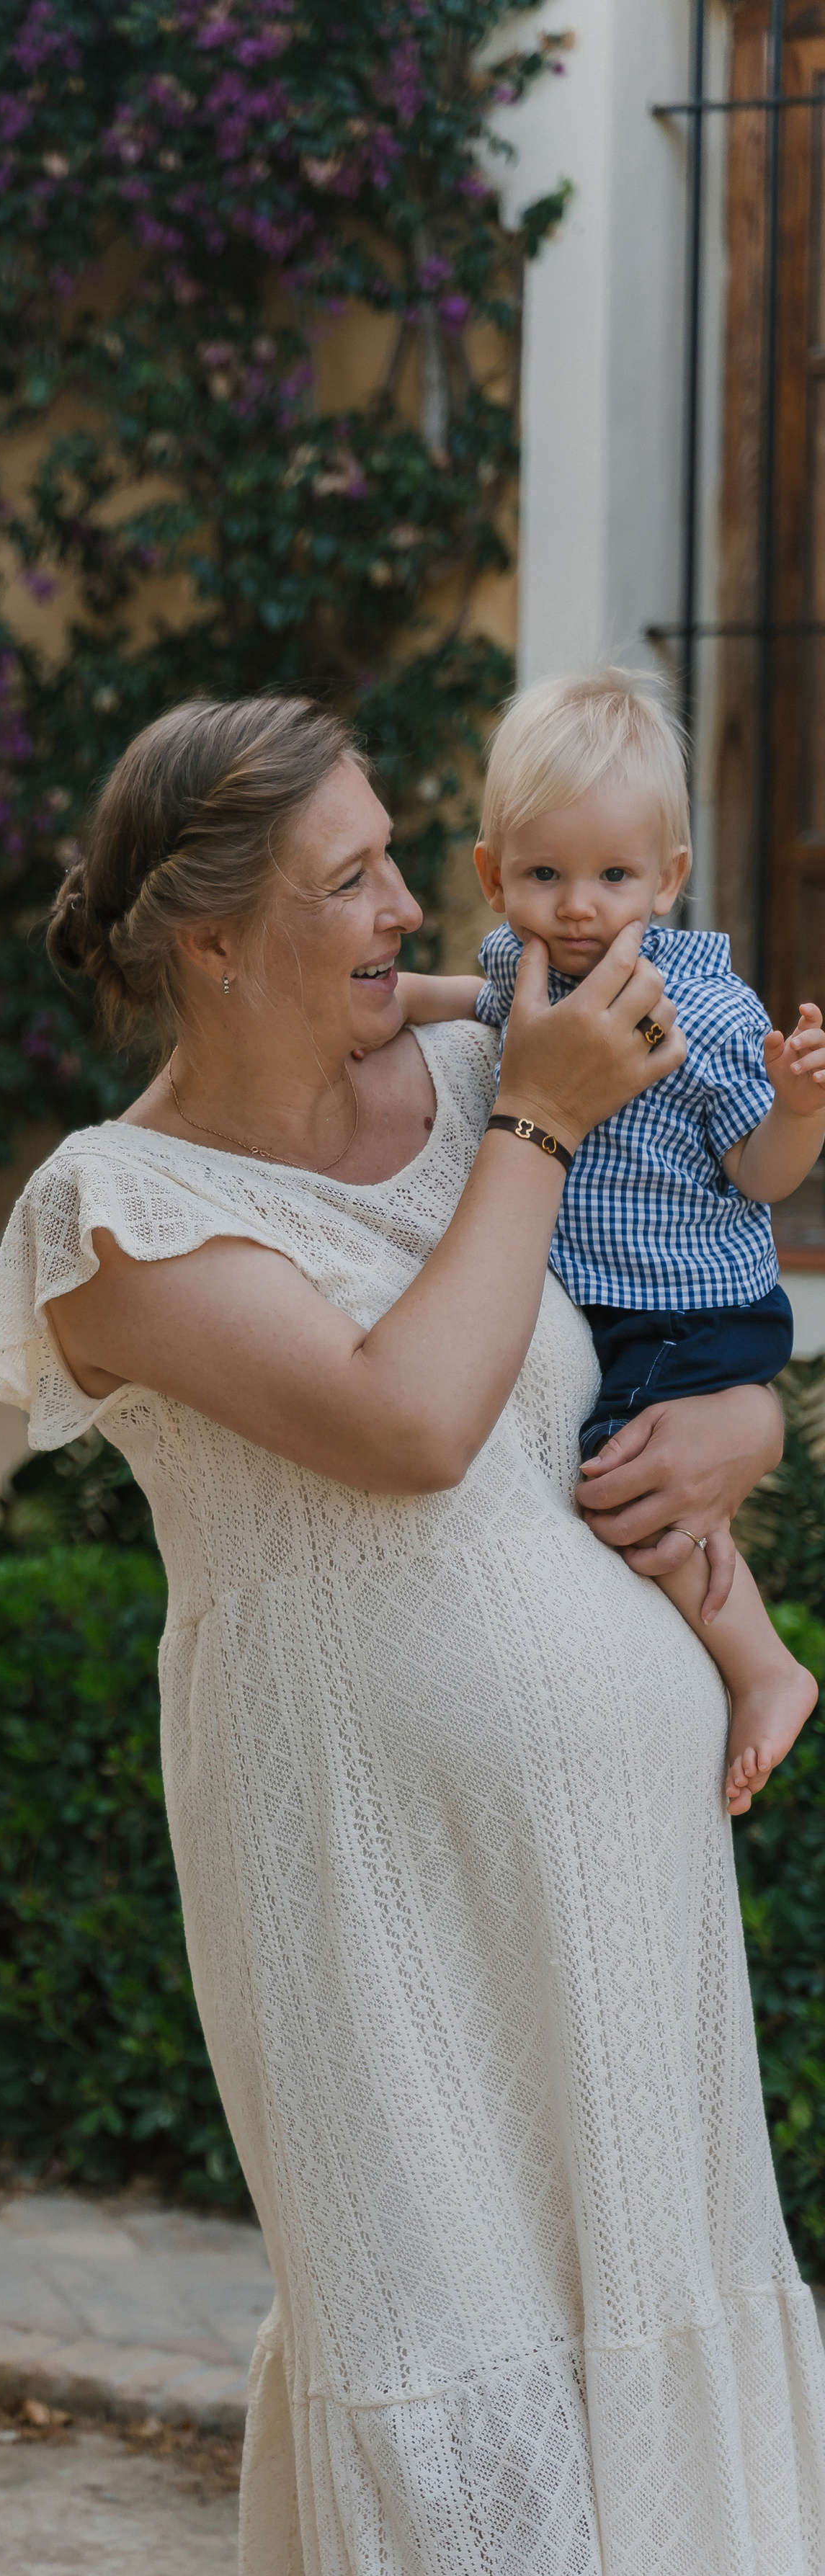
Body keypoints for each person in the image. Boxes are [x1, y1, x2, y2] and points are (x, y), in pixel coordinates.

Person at [0, 693, 825, 2576]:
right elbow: (410, 1425)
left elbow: (694, 1287)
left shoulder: (469, 1070)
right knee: (440, 2357)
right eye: (348, 875)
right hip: (356, 1874)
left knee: (642, 2301)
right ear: (212, 940)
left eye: (388, 855)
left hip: (621, 1877)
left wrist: (748, 1419)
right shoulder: (120, 1212)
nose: (404, 899)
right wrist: (530, 1123)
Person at [395, 668, 822, 1811]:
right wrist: (391, 1003)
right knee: (623, 1476)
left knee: (618, 1478)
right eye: (544, 875)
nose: (578, 906)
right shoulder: (517, 969)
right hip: (607, 1304)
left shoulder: (710, 1012)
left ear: (670, 881)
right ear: (492, 874)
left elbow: (762, 1176)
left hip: (694, 1306)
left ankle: (766, 1668)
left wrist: (796, 1108)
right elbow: (467, 998)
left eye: (614, 877)